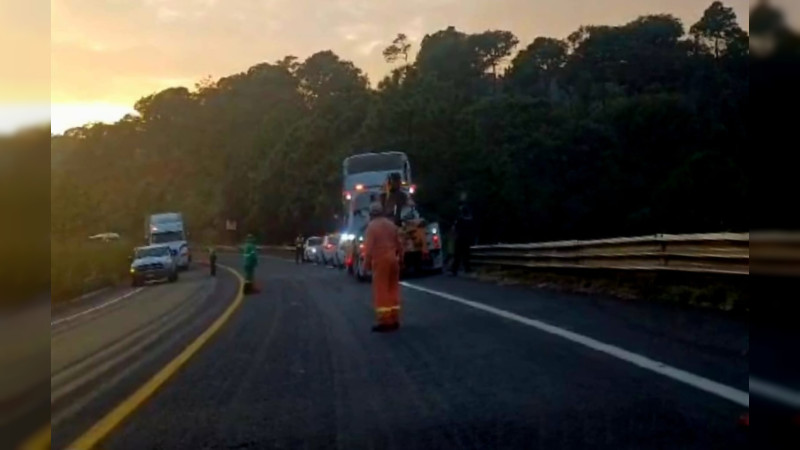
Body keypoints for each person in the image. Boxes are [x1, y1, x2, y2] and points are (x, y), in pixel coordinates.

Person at [364, 202, 404, 332]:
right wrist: (402, 259)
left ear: (371, 214)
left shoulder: (372, 227)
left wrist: (366, 264)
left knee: (381, 290)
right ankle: (394, 319)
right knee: (393, 288)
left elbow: (368, 249)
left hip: (381, 261)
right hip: (393, 260)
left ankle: (384, 321)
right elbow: (400, 244)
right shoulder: (391, 225)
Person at [451, 201, 474, 276]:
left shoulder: (460, 219)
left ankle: (454, 270)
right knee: (466, 254)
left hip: (460, 238)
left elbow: (454, 228)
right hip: (468, 239)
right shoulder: (470, 220)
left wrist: (454, 235)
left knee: (457, 255)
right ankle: (467, 268)